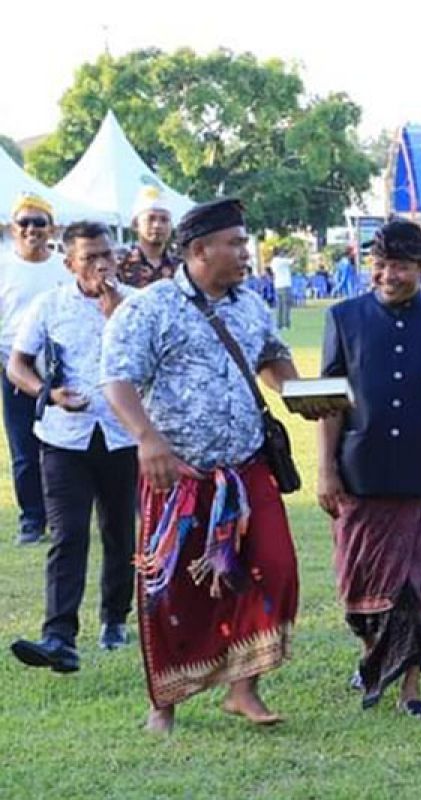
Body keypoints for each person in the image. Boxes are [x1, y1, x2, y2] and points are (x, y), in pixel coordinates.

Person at [102, 198, 322, 734]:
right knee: (170, 588)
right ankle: (165, 704)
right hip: (177, 474)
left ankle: (243, 690)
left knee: (276, 566)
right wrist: (148, 440)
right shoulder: (150, 308)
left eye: (245, 242)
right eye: (237, 243)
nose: (247, 253)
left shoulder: (251, 305)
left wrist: (303, 393)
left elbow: (272, 359)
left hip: (246, 469)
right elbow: (117, 380)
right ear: (200, 251)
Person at [317, 219, 421, 715]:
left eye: (402, 266)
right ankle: (372, 658)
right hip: (359, 471)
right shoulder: (343, 317)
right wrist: (325, 469)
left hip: (420, 471)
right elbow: (329, 402)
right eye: (381, 265)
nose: (390, 275)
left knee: (415, 584)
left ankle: (411, 686)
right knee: (358, 581)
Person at [7, 221, 135, 673]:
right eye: (89, 258)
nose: (101, 265)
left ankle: (115, 617)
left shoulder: (135, 305)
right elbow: (17, 365)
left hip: (122, 436)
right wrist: (47, 393)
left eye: (107, 255)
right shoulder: (49, 305)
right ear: (69, 264)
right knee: (68, 533)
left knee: (119, 530)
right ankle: (58, 635)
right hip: (64, 436)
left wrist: (116, 312)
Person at [0, 194, 71, 545]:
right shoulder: (3, 267)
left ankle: (63, 516)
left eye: (38, 222)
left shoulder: (65, 267)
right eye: (24, 222)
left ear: (52, 228)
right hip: (15, 369)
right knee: (24, 450)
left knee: (62, 445)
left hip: (63, 368)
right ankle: (31, 520)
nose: (31, 229)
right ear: (13, 229)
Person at [117, 186, 180, 288]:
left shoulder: (181, 268)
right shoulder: (121, 264)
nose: (157, 225)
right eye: (151, 219)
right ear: (135, 224)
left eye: (164, 220)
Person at [270, 248, 294, 329]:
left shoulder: (273, 261)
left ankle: (279, 323)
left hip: (277, 285)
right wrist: (295, 253)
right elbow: (292, 261)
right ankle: (286, 324)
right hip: (285, 285)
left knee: (279, 306)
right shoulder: (281, 261)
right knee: (286, 305)